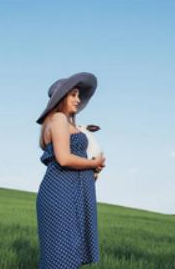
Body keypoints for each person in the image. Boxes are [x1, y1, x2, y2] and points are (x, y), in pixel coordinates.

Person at [35, 72, 106, 269]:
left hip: (71, 194)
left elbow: (73, 165)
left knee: (69, 257)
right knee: (60, 259)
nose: (78, 99)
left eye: (78, 95)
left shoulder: (66, 123)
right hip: (61, 195)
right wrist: (92, 163)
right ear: (61, 97)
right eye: (73, 94)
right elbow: (64, 159)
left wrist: (94, 169)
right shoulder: (58, 118)